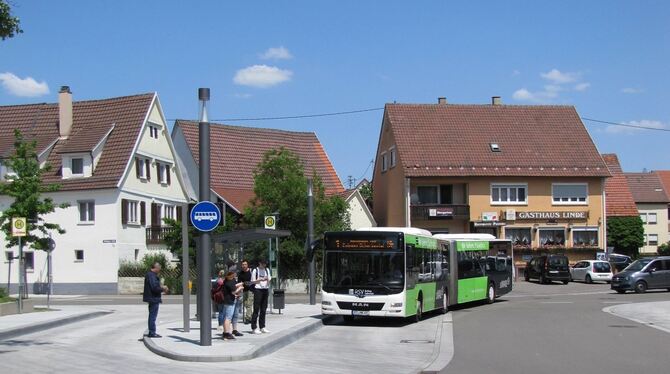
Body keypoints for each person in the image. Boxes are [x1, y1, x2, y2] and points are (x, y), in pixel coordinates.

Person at [143, 262, 168, 338]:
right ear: (156, 268)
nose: (159, 270)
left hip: (152, 298)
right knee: (153, 316)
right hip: (153, 298)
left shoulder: (151, 275)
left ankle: (152, 331)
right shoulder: (151, 275)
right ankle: (152, 332)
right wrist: (163, 289)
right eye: (159, 269)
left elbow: (154, 286)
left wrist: (161, 287)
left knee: (152, 315)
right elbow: (154, 287)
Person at [221, 271, 244, 340]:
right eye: (233, 275)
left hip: (226, 301)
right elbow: (234, 291)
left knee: (226, 317)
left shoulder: (226, 281)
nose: (234, 276)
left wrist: (240, 284)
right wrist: (240, 288)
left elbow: (234, 287)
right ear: (230, 276)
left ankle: (225, 332)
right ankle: (227, 333)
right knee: (228, 317)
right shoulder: (229, 282)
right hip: (229, 301)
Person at [251, 259, 271, 334]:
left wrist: (268, 281)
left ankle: (262, 326)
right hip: (258, 289)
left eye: (265, 264)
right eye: (263, 264)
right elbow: (253, 281)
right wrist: (260, 279)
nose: (264, 265)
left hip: (265, 289)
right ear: (259, 263)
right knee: (256, 309)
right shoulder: (255, 270)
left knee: (263, 309)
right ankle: (254, 327)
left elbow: (269, 279)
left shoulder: (267, 270)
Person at [237, 260, 254, 324]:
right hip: (244, 290)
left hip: (251, 290)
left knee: (249, 304)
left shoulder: (251, 272)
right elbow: (239, 282)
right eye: (243, 264)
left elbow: (254, 280)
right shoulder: (240, 273)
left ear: (247, 265)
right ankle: (251, 316)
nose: (244, 266)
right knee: (245, 304)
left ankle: (248, 318)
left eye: (245, 264)